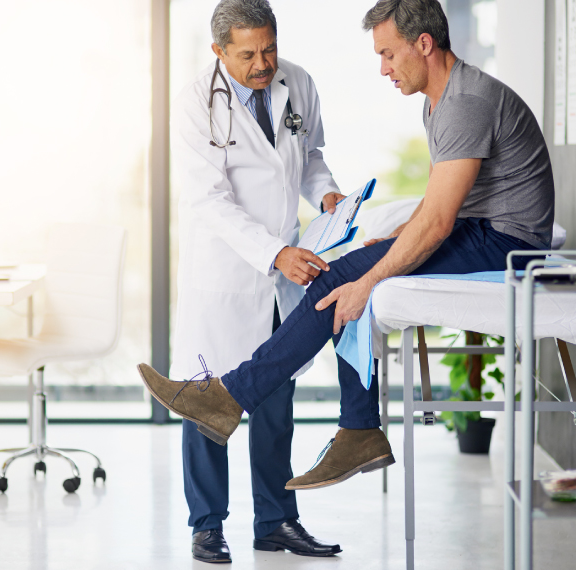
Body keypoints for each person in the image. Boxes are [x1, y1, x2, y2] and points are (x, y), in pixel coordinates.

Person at [143, 0, 554, 497]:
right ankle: (348, 431)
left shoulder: (462, 103)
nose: (382, 67)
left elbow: (439, 219)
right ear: (219, 52)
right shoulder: (443, 99)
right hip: (232, 265)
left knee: (347, 282)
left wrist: (375, 266)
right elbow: (440, 204)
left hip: (505, 243)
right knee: (351, 278)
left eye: (387, 54)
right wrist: (400, 241)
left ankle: (245, 402)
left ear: (423, 45)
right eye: (249, 54)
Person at [168, 0, 344, 563]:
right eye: (248, 54)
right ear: (219, 51)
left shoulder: (298, 81)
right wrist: (275, 253)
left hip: (282, 273)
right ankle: (206, 525)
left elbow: (309, 156)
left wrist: (326, 195)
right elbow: (208, 199)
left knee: (274, 400)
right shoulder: (197, 102)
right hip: (224, 271)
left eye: (269, 48)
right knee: (205, 401)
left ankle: (276, 522)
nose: (264, 63)